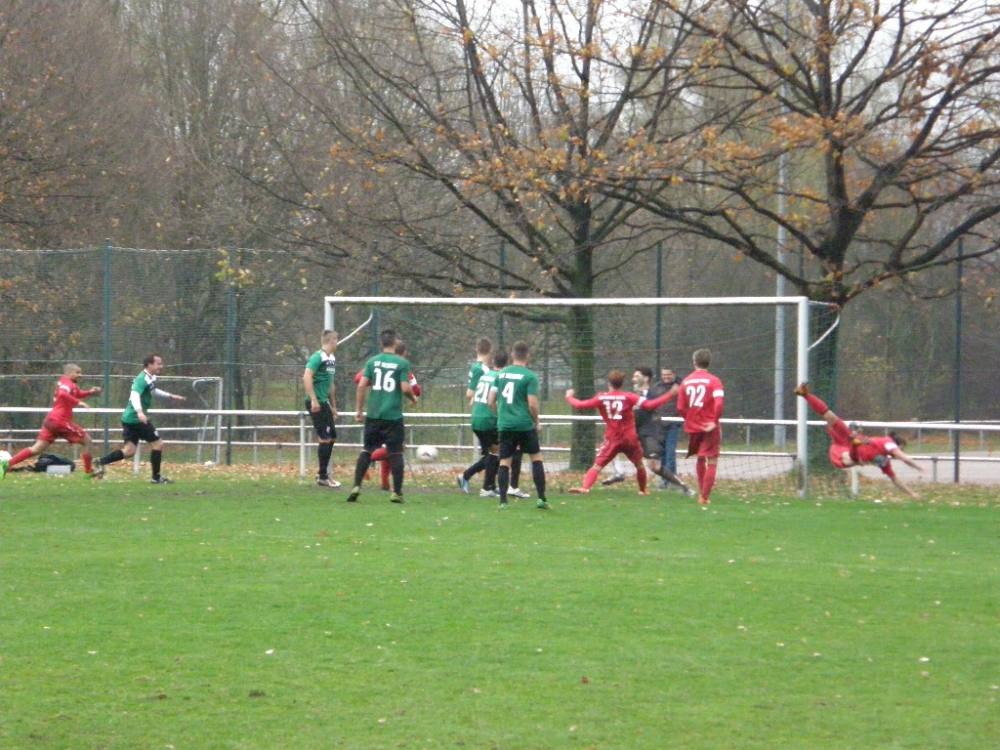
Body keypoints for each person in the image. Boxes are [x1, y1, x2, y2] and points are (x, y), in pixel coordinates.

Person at [795, 383, 925, 499]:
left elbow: (895, 479)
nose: (900, 451)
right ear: (896, 444)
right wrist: (918, 467)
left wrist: (912, 494)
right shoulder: (888, 443)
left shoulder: (883, 460)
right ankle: (804, 394)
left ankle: (855, 443)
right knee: (831, 417)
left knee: (851, 458)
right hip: (847, 440)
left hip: (848, 448)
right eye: (901, 448)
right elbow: (904, 458)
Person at [564, 370, 679, 494]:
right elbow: (650, 405)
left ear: (609, 383)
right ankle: (643, 490)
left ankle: (585, 488)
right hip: (630, 438)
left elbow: (579, 405)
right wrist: (670, 395)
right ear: (622, 384)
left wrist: (569, 396)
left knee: (597, 466)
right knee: (639, 465)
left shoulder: (601, 397)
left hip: (613, 438)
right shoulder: (629, 396)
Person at [346, 329, 418, 504]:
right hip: (392, 416)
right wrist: (413, 398)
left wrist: (359, 410)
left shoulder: (372, 362)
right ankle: (397, 493)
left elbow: (361, 385)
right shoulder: (402, 363)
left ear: (381, 343)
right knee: (396, 453)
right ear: (395, 343)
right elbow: (405, 388)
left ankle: (356, 486)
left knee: (367, 450)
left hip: (373, 415)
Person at [93, 354, 187, 483]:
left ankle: (100, 462)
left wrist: (170, 396)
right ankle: (156, 478)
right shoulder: (142, 379)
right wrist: (139, 412)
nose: (161, 366)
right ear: (149, 364)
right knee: (158, 444)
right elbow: (135, 395)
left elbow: (153, 391)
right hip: (136, 419)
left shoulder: (151, 378)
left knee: (129, 451)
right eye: (158, 364)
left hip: (128, 418)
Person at [0, 363, 103, 479]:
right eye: (77, 372)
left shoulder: (68, 384)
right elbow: (62, 393)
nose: (80, 375)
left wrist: (90, 392)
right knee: (87, 441)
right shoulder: (67, 384)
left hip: (51, 421)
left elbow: (77, 394)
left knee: (36, 449)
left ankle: (7, 464)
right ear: (69, 373)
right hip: (60, 421)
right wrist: (79, 402)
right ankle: (88, 472)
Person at [487, 341, 549, 509]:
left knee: (504, 462)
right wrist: (536, 422)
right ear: (528, 357)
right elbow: (532, 404)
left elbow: (490, 401)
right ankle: (541, 499)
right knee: (536, 458)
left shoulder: (500, 375)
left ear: (512, 355)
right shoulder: (530, 376)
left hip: (506, 426)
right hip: (525, 425)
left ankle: (503, 502)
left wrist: (501, 416)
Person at [359, 339, 421, 491]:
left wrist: (375, 383)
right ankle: (366, 462)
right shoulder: (403, 367)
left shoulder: (376, 363)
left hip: (375, 412)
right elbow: (416, 390)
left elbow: (358, 379)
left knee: (385, 449)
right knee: (396, 449)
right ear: (404, 353)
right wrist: (413, 397)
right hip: (391, 413)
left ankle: (384, 483)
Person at [632, 367, 695, 496]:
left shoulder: (652, 393)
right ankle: (618, 474)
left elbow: (651, 406)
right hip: (634, 433)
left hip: (650, 433)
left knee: (655, 465)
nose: (634, 379)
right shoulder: (634, 394)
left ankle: (683, 486)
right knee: (609, 450)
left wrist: (671, 393)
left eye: (637, 376)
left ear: (646, 379)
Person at [677, 349, 724, 505]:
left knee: (700, 457)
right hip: (709, 426)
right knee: (712, 460)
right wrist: (714, 421)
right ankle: (704, 496)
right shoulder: (714, 381)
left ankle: (702, 493)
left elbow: (680, 407)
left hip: (694, 426)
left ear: (694, 362)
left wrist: (690, 419)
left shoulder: (685, 382)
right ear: (709, 362)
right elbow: (719, 404)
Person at [303, 329, 341, 488]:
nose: (337, 343)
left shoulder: (331, 359)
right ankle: (323, 476)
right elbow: (306, 376)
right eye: (336, 340)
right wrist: (313, 400)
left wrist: (333, 406)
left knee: (332, 436)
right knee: (325, 437)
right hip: (316, 402)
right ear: (332, 341)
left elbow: (330, 384)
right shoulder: (317, 357)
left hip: (324, 402)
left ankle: (322, 474)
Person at [656, 367, 682, 477]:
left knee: (670, 453)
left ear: (674, 374)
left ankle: (668, 480)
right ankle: (669, 478)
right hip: (660, 425)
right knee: (662, 453)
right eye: (664, 375)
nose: (666, 377)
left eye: (668, 375)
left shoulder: (680, 386)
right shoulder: (657, 387)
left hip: (672, 424)